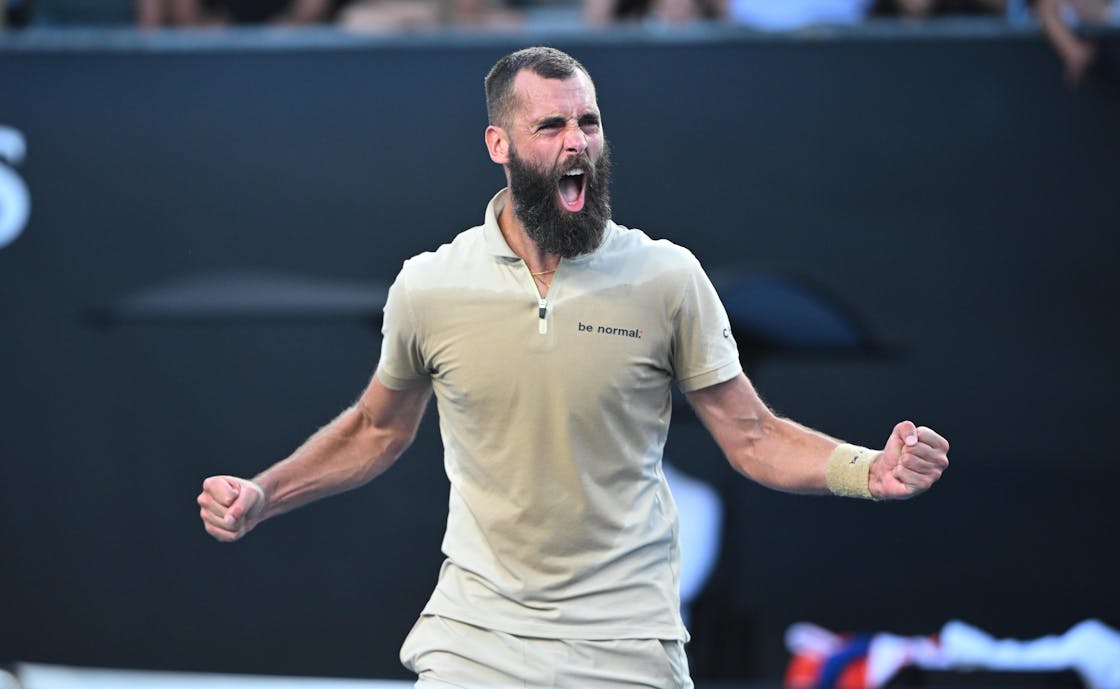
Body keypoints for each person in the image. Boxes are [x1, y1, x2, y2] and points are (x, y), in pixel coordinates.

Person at [197, 46, 951, 689]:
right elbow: (373, 430)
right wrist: (266, 493)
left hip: (626, 646)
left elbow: (752, 435)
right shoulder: (429, 285)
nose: (577, 142)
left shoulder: (667, 277)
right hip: (476, 641)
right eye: (551, 125)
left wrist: (865, 469)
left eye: (588, 122)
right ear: (499, 144)